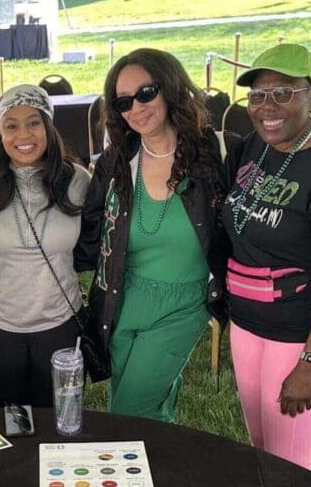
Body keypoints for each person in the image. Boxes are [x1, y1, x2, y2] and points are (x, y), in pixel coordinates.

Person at [214, 45, 311, 472]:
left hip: (299, 333)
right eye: (259, 96)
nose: (268, 107)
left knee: (291, 461)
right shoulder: (254, 148)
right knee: (261, 447)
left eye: (284, 93)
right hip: (248, 324)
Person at [78, 48, 225, 421]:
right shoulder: (117, 160)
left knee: (128, 411)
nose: (137, 108)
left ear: (170, 86)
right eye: (124, 101)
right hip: (122, 298)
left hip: (183, 302)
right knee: (139, 404)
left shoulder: (217, 152)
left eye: (146, 93)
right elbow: (90, 228)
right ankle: (159, 473)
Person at [0, 85, 92, 408]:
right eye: (11, 125)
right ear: (0, 131)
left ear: (48, 126)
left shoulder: (78, 181)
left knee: (58, 414)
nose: (23, 134)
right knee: (11, 416)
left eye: (33, 122)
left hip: (60, 323)